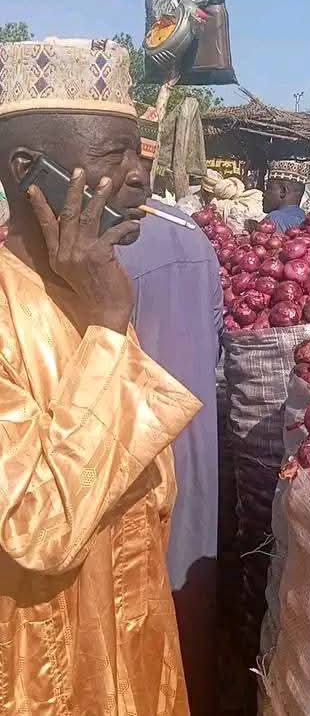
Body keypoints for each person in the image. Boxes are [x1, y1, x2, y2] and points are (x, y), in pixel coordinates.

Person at [0, 38, 200, 714]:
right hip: (44, 675)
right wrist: (110, 327)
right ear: (32, 170)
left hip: (134, 657)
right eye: (112, 155)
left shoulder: (88, 289)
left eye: (137, 152)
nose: (141, 175)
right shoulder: (92, 306)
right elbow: (39, 526)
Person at [117, 126, 223, 716]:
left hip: (134, 444)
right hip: (195, 429)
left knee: (138, 595)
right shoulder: (194, 234)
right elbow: (216, 330)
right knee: (188, 579)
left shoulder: (100, 243)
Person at [262, 160, 307, 231]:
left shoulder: (274, 218)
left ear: (283, 191)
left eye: (268, 188)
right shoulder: (304, 217)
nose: (263, 194)